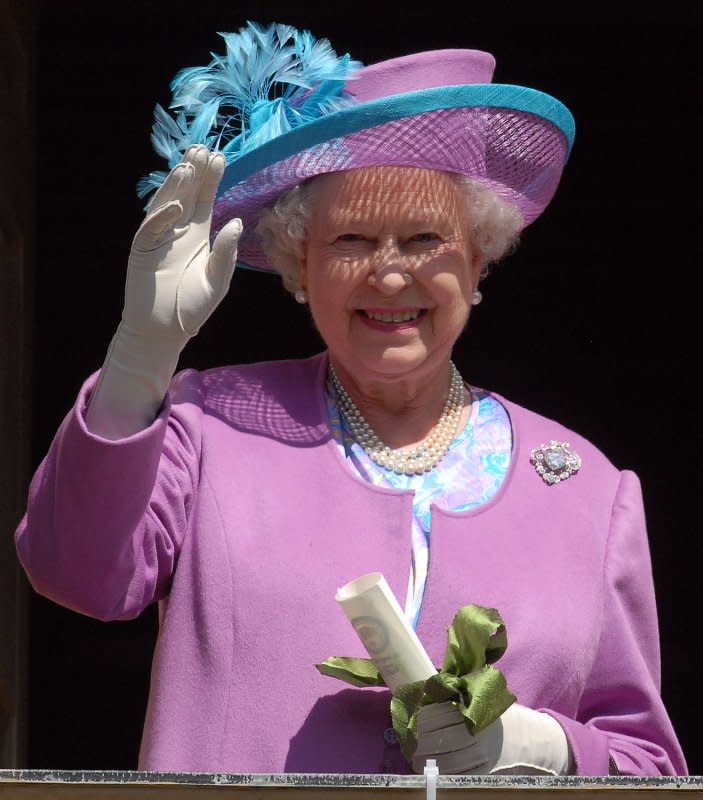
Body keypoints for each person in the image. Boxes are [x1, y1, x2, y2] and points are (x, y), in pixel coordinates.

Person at [15, 20, 687, 776]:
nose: (390, 275)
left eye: (425, 239)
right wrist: (140, 356)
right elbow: (75, 574)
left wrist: (546, 749)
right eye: (351, 242)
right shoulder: (209, 426)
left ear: (477, 263)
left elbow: (646, 765)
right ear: (302, 267)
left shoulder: (589, 494)